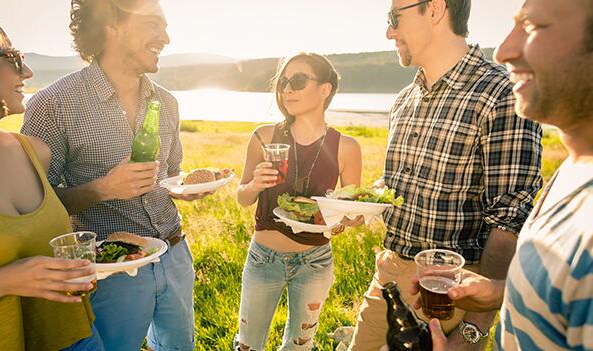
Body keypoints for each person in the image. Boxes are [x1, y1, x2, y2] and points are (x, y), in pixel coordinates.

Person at [349, 0, 544, 350]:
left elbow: (509, 220)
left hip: (449, 294)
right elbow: (395, 187)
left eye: (395, 18)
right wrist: (356, 204)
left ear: (435, 8)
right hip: (387, 279)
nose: (389, 31)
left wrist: (473, 330)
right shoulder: (404, 100)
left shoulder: (501, 94)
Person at [21, 1, 208, 350]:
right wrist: (102, 189)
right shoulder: (54, 104)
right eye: (154, 24)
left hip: (175, 253)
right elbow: (33, 204)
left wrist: (183, 188)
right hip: (112, 270)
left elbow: (171, 173)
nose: (165, 37)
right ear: (113, 26)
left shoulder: (167, 102)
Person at [410, 0, 593, 349]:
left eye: (534, 26)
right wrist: (496, 293)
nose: (504, 51)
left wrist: (471, 332)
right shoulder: (573, 170)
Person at [0, 5, 103, 351]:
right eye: (13, 58)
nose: (27, 71)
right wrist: (1, 282)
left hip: (79, 338)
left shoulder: (34, 152)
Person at [235, 52, 362, 350]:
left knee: (300, 346)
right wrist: (254, 184)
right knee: (247, 346)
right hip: (263, 257)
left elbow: (350, 212)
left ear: (325, 89)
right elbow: (242, 198)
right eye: (283, 82)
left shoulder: (346, 147)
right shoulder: (264, 136)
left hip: (315, 261)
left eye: (299, 80)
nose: (287, 89)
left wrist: (348, 218)